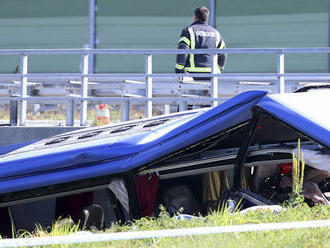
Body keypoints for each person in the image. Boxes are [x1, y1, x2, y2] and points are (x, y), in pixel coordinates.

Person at [175, 6, 227, 80]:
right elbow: (223, 53)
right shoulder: (215, 32)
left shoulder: (188, 31)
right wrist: (219, 69)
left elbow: (183, 50)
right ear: (207, 18)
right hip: (211, 74)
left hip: (192, 74)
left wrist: (178, 70)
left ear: (195, 17)